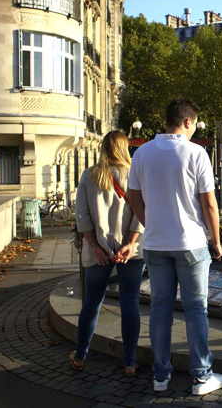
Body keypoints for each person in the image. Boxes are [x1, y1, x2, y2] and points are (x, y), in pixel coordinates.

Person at [126, 99, 222, 396]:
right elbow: (209, 203)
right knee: (196, 309)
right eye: (195, 124)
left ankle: (161, 376)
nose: (195, 129)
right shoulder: (196, 153)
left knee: (160, 310)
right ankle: (201, 376)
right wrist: (217, 241)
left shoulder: (142, 153)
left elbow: (133, 197)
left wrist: (150, 222)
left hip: (156, 244)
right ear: (187, 122)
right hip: (191, 243)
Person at [70, 130, 145, 375]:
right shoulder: (135, 175)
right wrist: (131, 243)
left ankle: (81, 355)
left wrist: (95, 247)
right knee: (130, 302)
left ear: (103, 147)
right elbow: (142, 213)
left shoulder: (89, 176)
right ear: (125, 148)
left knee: (91, 304)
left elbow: (82, 216)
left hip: (98, 251)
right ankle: (130, 361)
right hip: (130, 252)